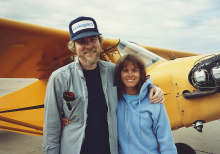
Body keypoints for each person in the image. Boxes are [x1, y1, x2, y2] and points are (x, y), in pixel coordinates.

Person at [42, 16, 164, 154]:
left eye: (93, 40)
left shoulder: (114, 70)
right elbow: (51, 126)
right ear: (73, 47)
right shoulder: (59, 78)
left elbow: (136, 82)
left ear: (99, 42)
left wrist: (154, 87)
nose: (89, 46)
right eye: (81, 42)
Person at [115, 54, 177, 154]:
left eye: (135, 70)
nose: (130, 74)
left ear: (141, 73)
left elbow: (166, 139)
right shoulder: (113, 99)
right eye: (125, 70)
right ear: (119, 73)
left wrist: (153, 86)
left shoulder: (154, 99)